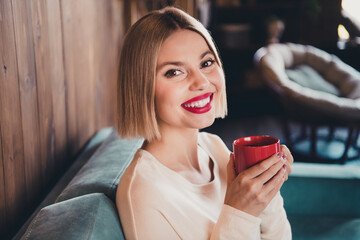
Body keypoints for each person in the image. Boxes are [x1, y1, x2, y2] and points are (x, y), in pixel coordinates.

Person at [116, 6, 293, 240]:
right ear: (141, 87)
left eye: (206, 63)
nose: (201, 82)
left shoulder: (214, 147)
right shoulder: (143, 192)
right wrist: (240, 212)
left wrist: (267, 192)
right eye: (174, 72)